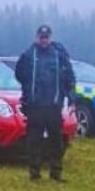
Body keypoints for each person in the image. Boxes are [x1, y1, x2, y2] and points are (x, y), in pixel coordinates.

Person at [14, 24, 76, 181]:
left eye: (46, 37)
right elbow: (19, 74)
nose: (44, 40)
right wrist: (28, 90)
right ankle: (34, 173)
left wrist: (71, 98)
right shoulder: (29, 54)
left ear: (50, 38)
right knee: (34, 140)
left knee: (56, 140)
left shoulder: (59, 55)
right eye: (41, 37)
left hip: (54, 106)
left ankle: (56, 173)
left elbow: (69, 77)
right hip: (34, 106)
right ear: (37, 38)